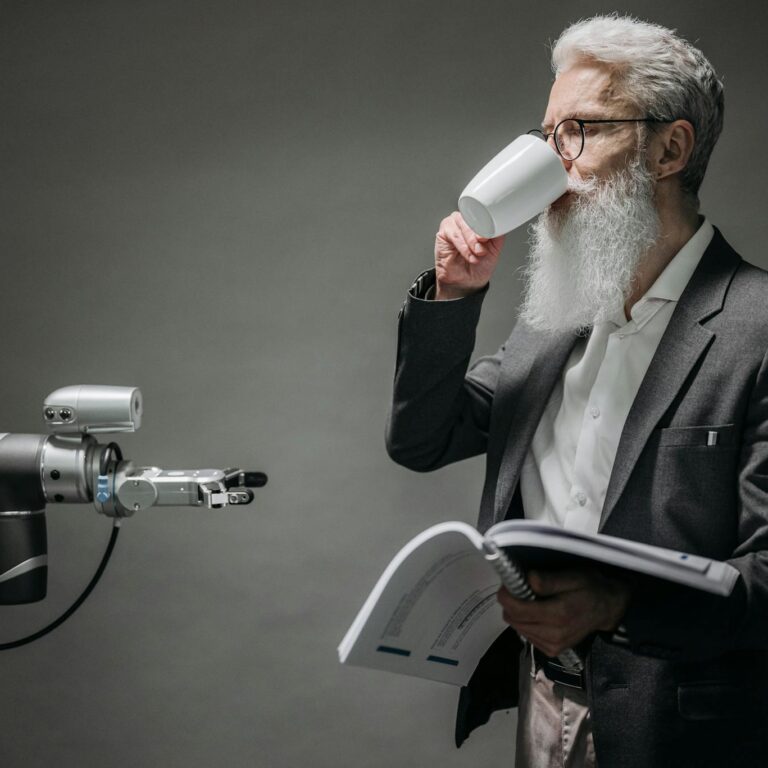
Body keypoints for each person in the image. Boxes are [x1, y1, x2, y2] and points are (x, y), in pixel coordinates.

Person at [386, 14, 768, 768]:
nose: (551, 168)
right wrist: (453, 296)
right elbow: (421, 440)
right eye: (546, 135)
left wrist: (618, 606)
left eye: (580, 132)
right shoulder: (551, 325)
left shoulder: (757, 328)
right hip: (540, 705)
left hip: (684, 733)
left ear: (669, 148)